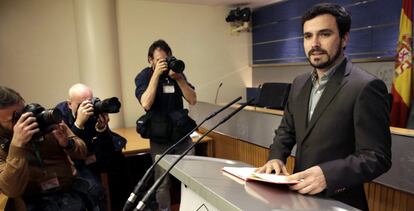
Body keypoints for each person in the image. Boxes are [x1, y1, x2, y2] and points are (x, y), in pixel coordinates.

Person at [256, 3, 391, 210]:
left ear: (345, 38)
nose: (314, 43)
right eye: (308, 36)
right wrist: (276, 157)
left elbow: (376, 157)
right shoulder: (299, 83)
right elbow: (286, 130)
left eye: (324, 34)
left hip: (341, 202)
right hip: (298, 199)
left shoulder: (366, 86)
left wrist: (328, 175)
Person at [0, 86, 95, 210]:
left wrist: (68, 144)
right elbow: (12, 189)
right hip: (32, 200)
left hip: (67, 194)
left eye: (23, 113)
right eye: (13, 119)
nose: (23, 122)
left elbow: (82, 152)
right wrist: (17, 145)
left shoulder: (44, 121)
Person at [135, 39, 197, 211]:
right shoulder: (144, 76)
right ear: (150, 60)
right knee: (162, 182)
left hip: (181, 134)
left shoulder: (177, 73)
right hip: (160, 136)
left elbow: (193, 100)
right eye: (159, 60)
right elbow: (146, 103)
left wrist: (179, 79)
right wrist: (156, 76)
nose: (164, 63)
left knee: (191, 178)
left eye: (167, 59)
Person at [55, 83, 127, 210]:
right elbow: (65, 152)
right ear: (69, 104)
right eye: (81, 104)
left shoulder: (95, 112)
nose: (87, 107)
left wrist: (101, 129)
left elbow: (107, 149)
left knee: (121, 167)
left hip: (94, 161)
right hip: (71, 166)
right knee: (91, 189)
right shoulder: (60, 116)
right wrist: (78, 124)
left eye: (89, 102)